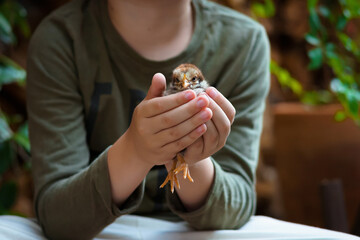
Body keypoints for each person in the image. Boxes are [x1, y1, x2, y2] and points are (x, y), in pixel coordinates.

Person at [26, 0, 269, 239]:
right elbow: (57, 218)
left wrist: (190, 153)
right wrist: (136, 151)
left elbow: (237, 207)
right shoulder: (61, 40)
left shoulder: (243, 44)